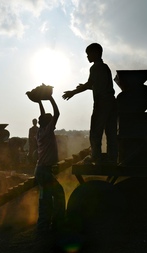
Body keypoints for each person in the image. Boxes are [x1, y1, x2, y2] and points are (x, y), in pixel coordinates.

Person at [62, 42, 118, 165]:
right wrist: (86, 87)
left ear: (96, 53)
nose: (87, 57)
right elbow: (99, 86)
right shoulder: (105, 67)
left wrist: (74, 92)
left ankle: (96, 156)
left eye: (88, 54)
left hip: (102, 103)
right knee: (111, 132)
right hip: (112, 103)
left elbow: (91, 83)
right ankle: (113, 158)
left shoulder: (95, 67)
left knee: (95, 132)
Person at [33, 95, 65, 235]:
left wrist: (40, 101)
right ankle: (54, 225)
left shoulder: (40, 131)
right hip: (44, 171)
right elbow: (57, 113)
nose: (54, 121)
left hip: (41, 170)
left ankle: (45, 228)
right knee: (57, 195)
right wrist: (50, 97)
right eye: (50, 120)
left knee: (47, 199)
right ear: (48, 123)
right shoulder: (47, 131)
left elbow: (42, 116)